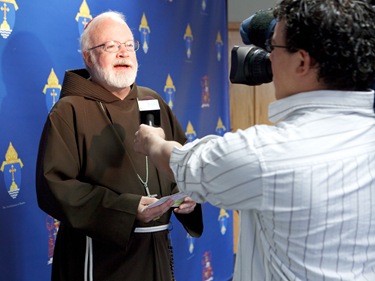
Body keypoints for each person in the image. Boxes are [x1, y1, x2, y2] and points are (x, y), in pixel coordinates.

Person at [134, 0, 375, 280]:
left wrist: (152, 140)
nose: (267, 58)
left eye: (273, 47)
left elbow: (182, 162)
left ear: (301, 61)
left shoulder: (266, 154)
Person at [35, 11, 203, 281]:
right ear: (88, 57)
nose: (123, 53)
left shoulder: (152, 101)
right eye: (111, 46)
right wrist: (126, 208)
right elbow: (54, 186)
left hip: (154, 251)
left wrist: (188, 195)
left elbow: (179, 163)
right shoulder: (69, 110)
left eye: (128, 45)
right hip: (100, 259)